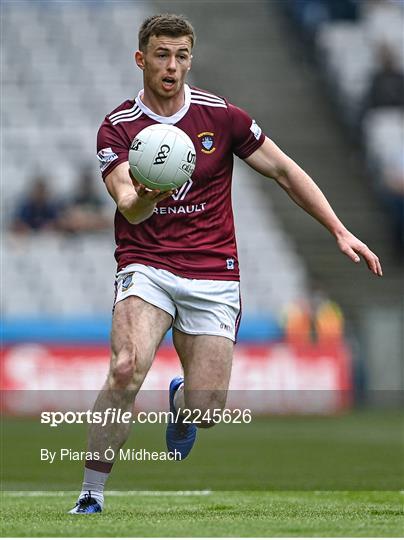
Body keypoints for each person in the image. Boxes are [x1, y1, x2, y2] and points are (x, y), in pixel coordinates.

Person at [69, 13, 382, 514]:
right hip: (146, 263)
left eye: (182, 55)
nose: (172, 66)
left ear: (191, 59)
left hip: (213, 272)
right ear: (141, 59)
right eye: (162, 55)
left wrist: (339, 230)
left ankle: (181, 406)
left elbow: (282, 168)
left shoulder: (223, 117)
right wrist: (151, 196)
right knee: (125, 369)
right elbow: (127, 203)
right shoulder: (119, 127)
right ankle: (91, 493)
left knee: (207, 409)